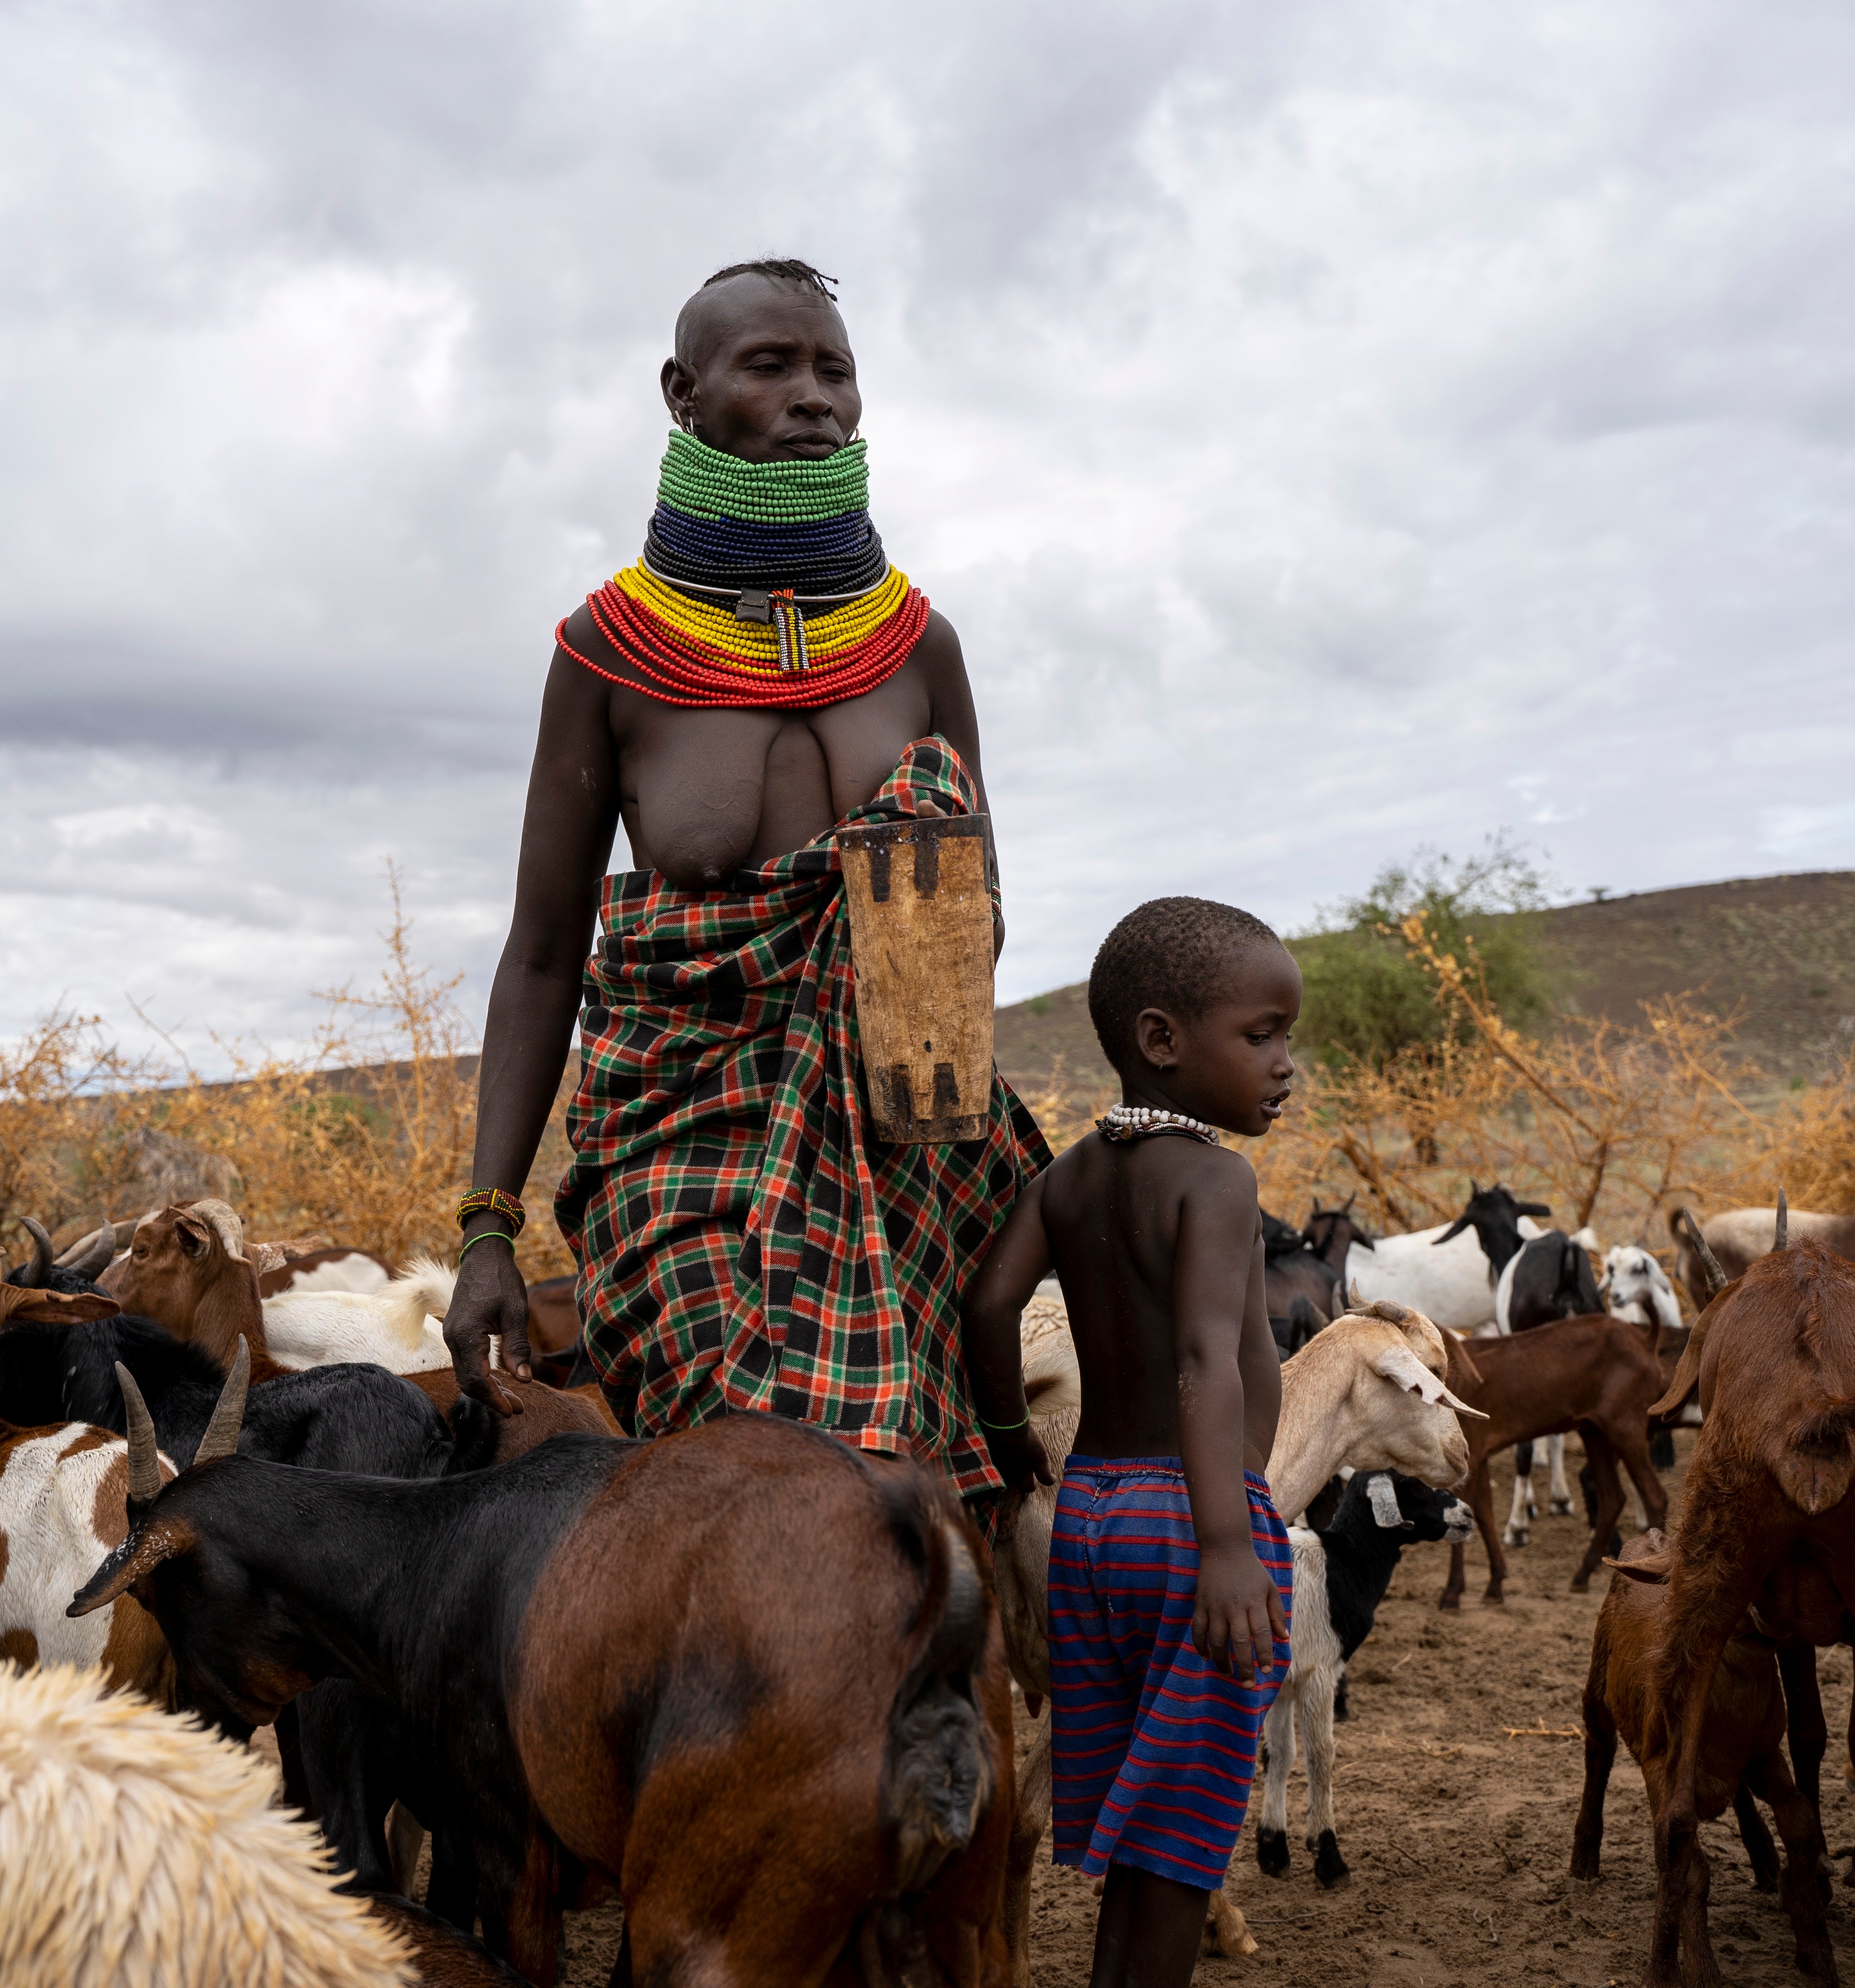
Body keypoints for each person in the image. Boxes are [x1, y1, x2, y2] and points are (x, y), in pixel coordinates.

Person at [439, 259, 1048, 1500]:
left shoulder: (920, 646)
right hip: (683, 1143)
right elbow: (546, 951)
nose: (814, 396)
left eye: (835, 370)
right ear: (683, 391)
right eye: (771, 365)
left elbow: (976, 914)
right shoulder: (606, 651)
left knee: (937, 1496)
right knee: (746, 1481)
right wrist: (488, 1225)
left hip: (908, 1156)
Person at [957, 896, 1304, 1988]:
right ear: (1162, 1041)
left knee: (1144, 1840)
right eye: (1262, 1035)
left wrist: (1013, 1442)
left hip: (1092, 1517)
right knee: (1178, 1847)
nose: (1285, 1063)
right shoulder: (1215, 1178)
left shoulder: (1068, 1173)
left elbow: (987, 1309)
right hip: (1193, 1522)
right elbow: (1208, 1362)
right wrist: (1228, 1542)